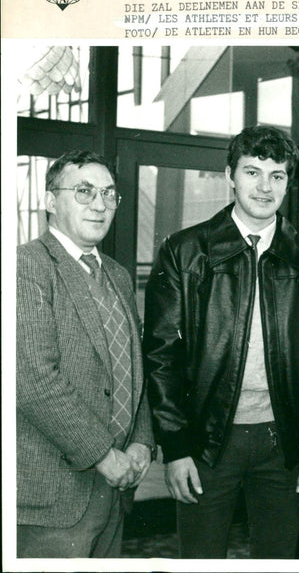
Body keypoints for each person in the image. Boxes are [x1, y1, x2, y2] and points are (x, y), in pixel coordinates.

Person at [143, 125, 299, 559]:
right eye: (252, 172)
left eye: (277, 175)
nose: (265, 186)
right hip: (207, 442)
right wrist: (176, 448)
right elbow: (161, 356)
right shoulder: (184, 250)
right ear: (229, 175)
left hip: (284, 443)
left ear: (289, 182)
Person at [16, 150, 154, 558]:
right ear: (50, 200)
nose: (99, 204)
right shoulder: (26, 267)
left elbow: (134, 367)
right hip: (55, 496)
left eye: (109, 194)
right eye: (84, 191)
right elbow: (34, 381)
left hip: (114, 491)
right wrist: (103, 455)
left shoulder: (117, 274)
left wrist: (143, 442)